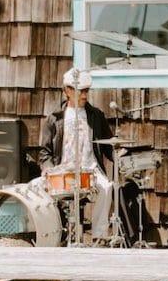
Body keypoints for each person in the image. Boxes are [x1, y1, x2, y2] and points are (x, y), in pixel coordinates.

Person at [39, 68, 114, 241]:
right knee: (35, 190)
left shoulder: (96, 115)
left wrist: (122, 155)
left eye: (87, 90)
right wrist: (48, 169)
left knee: (107, 187)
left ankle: (99, 236)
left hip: (91, 170)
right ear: (67, 91)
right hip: (62, 170)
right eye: (80, 91)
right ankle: (51, 236)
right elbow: (44, 153)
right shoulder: (54, 118)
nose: (85, 95)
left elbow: (109, 145)